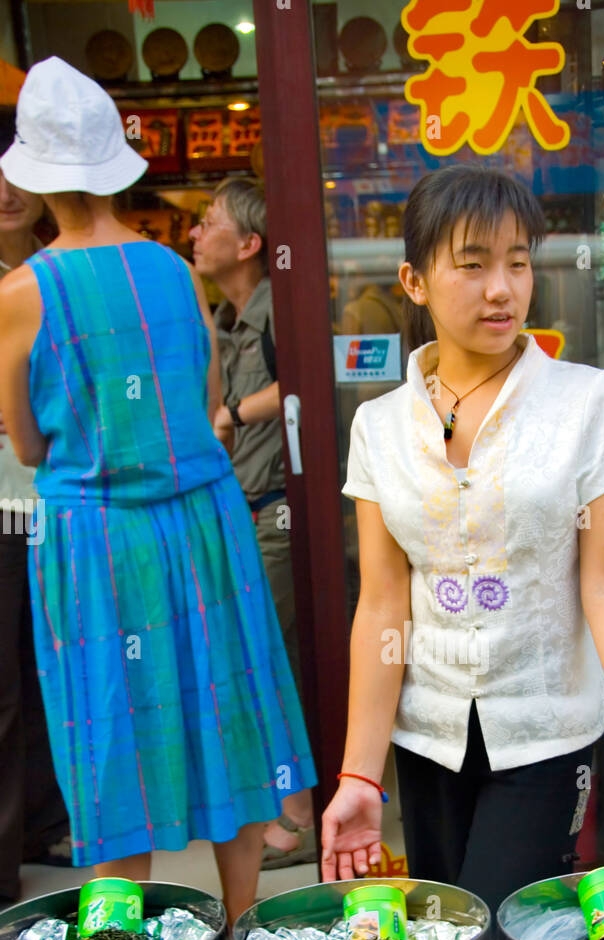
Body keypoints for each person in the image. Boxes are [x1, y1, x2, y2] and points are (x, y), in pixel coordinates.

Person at [320, 167, 604, 913]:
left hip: (545, 730)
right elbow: (382, 605)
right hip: (427, 738)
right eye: (472, 264)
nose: (501, 288)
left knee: (501, 926)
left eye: (518, 260)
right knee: (448, 937)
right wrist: (358, 775)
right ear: (415, 280)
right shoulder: (378, 426)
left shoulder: (585, 401)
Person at [0, 58, 316, 924]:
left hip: (99, 538)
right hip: (206, 523)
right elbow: (209, 402)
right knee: (228, 712)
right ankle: (247, 922)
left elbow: (27, 443)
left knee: (113, 734)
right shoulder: (177, 274)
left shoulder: (21, 294)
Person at [190, 177, 316, 870]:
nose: (194, 233)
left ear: (248, 244)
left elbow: (307, 376)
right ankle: (290, 809)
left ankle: (299, 817)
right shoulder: (227, 320)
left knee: (267, 658)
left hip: (283, 511)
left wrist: (235, 415)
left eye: (207, 222)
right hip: (248, 508)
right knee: (269, 656)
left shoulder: (278, 311)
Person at [0, 159, 70, 906]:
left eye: (15, 173)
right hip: (5, 505)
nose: (6, 192)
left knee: (44, 674)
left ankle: (43, 824)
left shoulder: (55, 275)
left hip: (50, 508)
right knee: (6, 690)